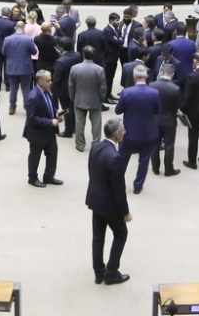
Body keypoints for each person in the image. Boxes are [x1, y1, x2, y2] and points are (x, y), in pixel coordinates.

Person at [86, 118, 132, 286]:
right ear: (117, 134)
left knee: (98, 237)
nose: (125, 132)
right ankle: (111, 272)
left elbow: (91, 172)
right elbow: (119, 190)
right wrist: (126, 212)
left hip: (95, 200)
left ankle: (99, 273)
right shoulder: (116, 158)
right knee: (121, 234)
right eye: (123, 130)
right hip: (110, 206)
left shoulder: (96, 147)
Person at [115, 65, 159, 194]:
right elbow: (158, 110)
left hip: (128, 133)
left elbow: (118, 110)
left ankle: (118, 184)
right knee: (144, 161)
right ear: (146, 77)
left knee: (122, 159)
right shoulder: (154, 93)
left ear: (134, 77)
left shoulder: (126, 92)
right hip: (148, 132)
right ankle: (138, 187)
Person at [23, 70, 64, 187]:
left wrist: (57, 112)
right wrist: (50, 122)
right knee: (35, 156)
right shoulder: (33, 97)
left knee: (52, 153)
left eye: (51, 80)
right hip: (37, 133)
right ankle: (32, 178)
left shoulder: (46, 91)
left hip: (49, 132)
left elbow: (49, 106)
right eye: (48, 81)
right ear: (40, 81)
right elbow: (32, 119)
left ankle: (49, 176)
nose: (51, 82)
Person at [69, 45, 107, 152]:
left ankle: (80, 144)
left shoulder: (74, 68)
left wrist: (73, 97)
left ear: (83, 54)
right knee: (96, 124)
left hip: (79, 99)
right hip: (95, 99)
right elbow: (103, 87)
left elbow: (71, 85)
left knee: (79, 123)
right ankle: (96, 143)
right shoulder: (99, 70)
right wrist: (102, 98)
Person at [149, 64, 181, 176]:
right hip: (170, 121)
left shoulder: (151, 86)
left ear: (162, 72)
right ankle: (168, 169)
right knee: (169, 146)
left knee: (155, 146)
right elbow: (178, 106)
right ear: (172, 74)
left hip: (155, 121)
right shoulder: (176, 89)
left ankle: (155, 168)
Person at [2, 21, 38, 114]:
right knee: (26, 89)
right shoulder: (28, 39)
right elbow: (34, 52)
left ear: (15, 28)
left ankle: (12, 107)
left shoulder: (7, 39)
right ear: (24, 28)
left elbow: (4, 52)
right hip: (25, 68)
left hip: (11, 68)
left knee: (13, 88)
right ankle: (27, 108)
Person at [52, 37, 81, 138]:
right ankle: (76, 128)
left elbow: (56, 78)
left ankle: (68, 130)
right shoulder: (78, 55)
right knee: (74, 108)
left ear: (61, 48)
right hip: (76, 87)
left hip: (64, 90)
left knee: (67, 110)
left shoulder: (60, 61)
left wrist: (53, 90)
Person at [102, 13, 122, 103]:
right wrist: (119, 40)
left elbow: (121, 38)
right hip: (108, 59)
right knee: (108, 78)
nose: (118, 22)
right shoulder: (107, 30)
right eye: (117, 20)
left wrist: (119, 40)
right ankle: (105, 97)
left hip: (114, 58)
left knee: (111, 77)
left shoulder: (116, 30)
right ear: (111, 20)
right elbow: (117, 42)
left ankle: (109, 94)